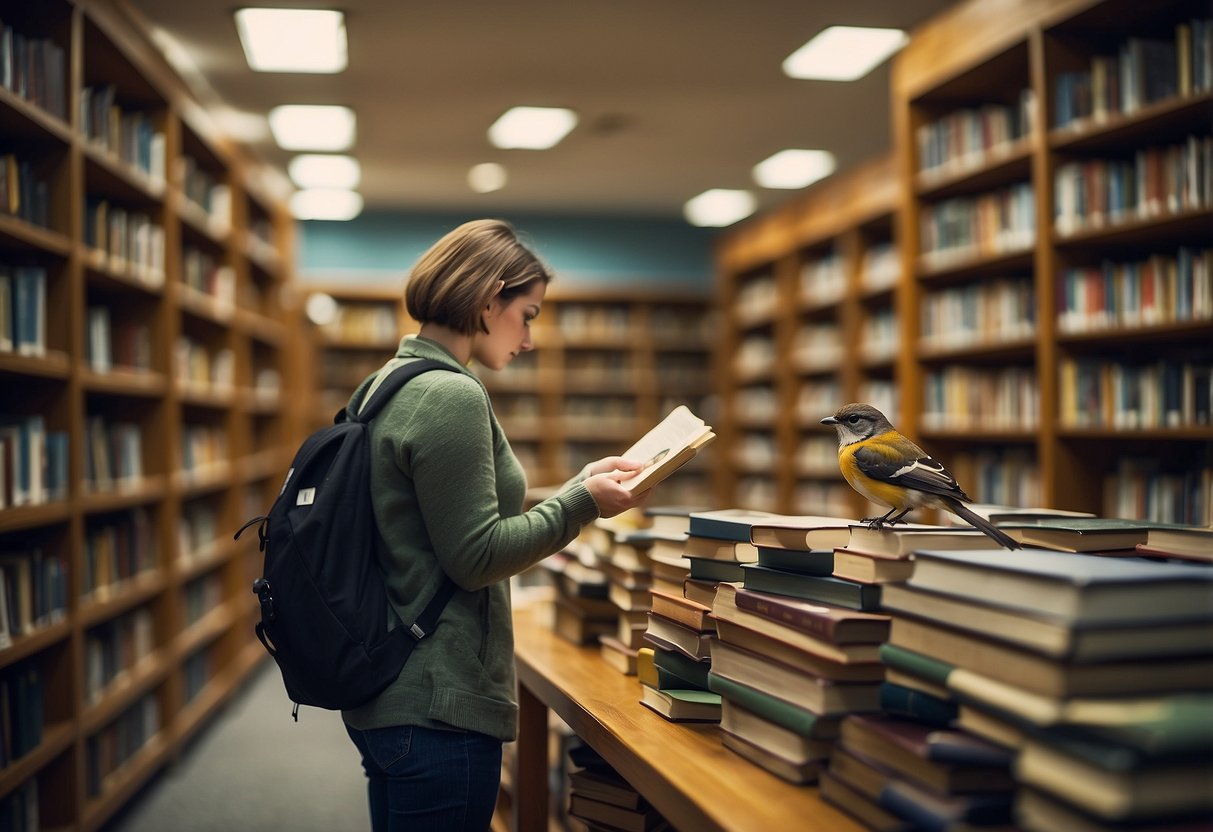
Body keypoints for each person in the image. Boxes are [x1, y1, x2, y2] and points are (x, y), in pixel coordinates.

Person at [341, 218, 648, 832]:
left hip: (387, 690)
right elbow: (475, 557)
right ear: (488, 300)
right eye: (527, 314)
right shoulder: (450, 396)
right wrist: (581, 504)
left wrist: (573, 489)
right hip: (438, 703)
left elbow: (436, 526)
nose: (529, 338)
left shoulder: (384, 383)